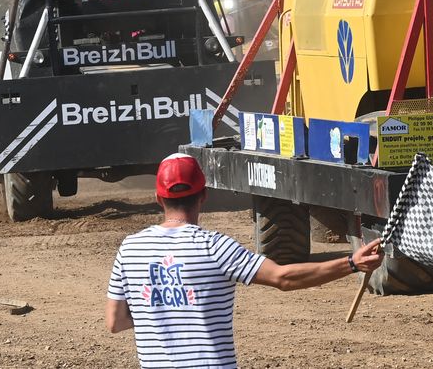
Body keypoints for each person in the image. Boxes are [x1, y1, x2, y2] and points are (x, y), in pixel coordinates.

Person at [106, 153, 383, 368]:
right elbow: (283, 278)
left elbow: (115, 322)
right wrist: (351, 263)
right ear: (203, 195)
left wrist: (161, 311)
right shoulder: (215, 247)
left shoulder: (129, 249)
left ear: (158, 198)